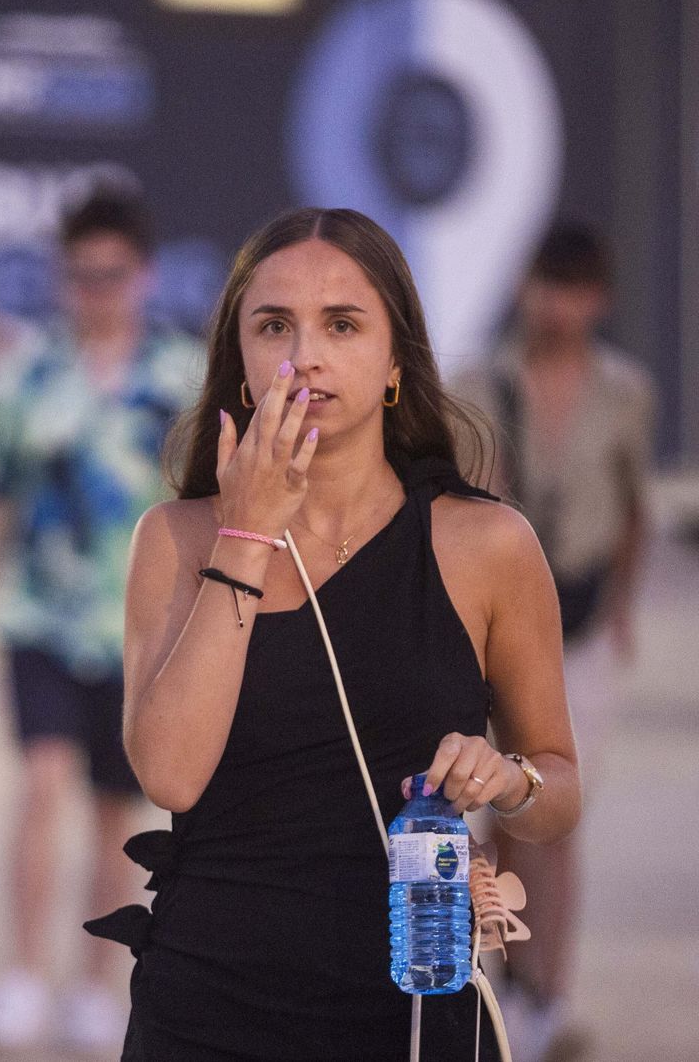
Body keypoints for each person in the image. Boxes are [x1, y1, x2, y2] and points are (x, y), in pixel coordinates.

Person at [91, 207, 581, 1060]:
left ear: (396, 361)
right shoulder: (174, 539)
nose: (304, 355)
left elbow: (560, 790)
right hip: (206, 1008)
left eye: (342, 324)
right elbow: (169, 769)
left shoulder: (487, 546)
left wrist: (507, 780)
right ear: (239, 359)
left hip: (410, 1012)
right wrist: (244, 535)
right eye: (273, 325)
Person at [0, 188, 200, 1053]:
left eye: (113, 275)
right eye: (81, 276)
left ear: (142, 275)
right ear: (63, 278)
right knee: (39, 787)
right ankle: (24, 973)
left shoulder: (184, 380)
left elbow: (210, 510)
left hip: (141, 630)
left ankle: (98, 985)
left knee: (114, 813)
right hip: (38, 618)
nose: (97, 291)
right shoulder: (23, 376)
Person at [455, 222, 654, 1062]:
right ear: (524, 287)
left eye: (575, 289)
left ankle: (547, 994)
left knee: (555, 812)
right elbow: (464, 507)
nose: (559, 305)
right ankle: (491, 985)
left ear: (598, 299)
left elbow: (634, 508)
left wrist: (618, 617)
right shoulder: (477, 382)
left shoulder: (626, 392)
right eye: (548, 284)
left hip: (579, 626)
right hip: (495, 624)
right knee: (489, 809)